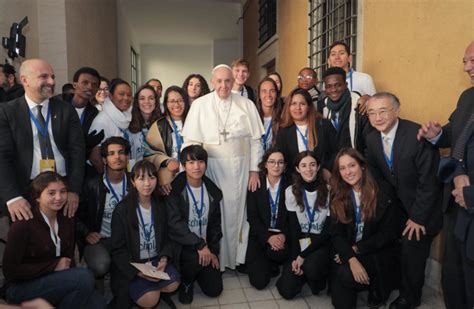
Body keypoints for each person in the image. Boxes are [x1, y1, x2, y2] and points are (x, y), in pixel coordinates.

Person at [181, 64, 264, 270]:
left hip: (241, 167)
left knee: (239, 211)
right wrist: (189, 174)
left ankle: (238, 257)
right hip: (211, 168)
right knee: (215, 211)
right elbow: (191, 142)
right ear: (212, 82)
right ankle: (215, 257)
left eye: (228, 81)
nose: (224, 86)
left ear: (233, 81)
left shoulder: (246, 104)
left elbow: (256, 141)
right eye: (219, 81)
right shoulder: (200, 105)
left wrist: (254, 169)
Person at [365, 92, 442, 309]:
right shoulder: (371, 138)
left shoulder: (417, 135)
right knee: (380, 237)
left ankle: (410, 297)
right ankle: (385, 286)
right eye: (372, 112)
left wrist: (417, 218)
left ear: (397, 111)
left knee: (411, 247)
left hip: (423, 208)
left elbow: (430, 182)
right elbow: (374, 171)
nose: (377, 117)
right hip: (397, 205)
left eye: (383, 111)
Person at [417, 41, 474, 309]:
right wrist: (437, 135)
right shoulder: (467, 98)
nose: (467, 68)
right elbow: (455, 133)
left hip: (471, 200)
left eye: (472, 61)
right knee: (452, 275)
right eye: (464, 61)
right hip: (454, 204)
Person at [2, 172, 105, 308]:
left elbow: (68, 260)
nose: (58, 197)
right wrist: (53, 267)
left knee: (97, 302)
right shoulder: (23, 224)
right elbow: (10, 270)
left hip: (56, 282)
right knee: (85, 277)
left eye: (63, 192)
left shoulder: (67, 218)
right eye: (51, 193)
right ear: (37, 197)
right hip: (21, 287)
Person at [0, 59, 85, 221]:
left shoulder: (66, 110)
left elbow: (77, 153)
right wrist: (13, 197)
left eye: (52, 76)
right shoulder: (7, 112)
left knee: (63, 241)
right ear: (25, 80)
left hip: (63, 192)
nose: (52, 82)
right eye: (44, 77)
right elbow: (2, 157)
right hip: (25, 193)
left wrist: (74, 190)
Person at [329, 148, 401, 309]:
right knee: (342, 303)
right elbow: (335, 234)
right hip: (350, 250)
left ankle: (376, 285)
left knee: (345, 275)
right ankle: (358, 279)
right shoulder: (337, 193)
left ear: (362, 166)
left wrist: (355, 249)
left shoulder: (383, 191)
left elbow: (388, 233)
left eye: (352, 165)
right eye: (342, 168)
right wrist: (351, 257)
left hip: (376, 250)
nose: (348, 172)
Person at [110, 160, 180, 309]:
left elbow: (168, 237)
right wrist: (139, 273)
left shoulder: (160, 205)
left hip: (156, 259)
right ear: (133, 182)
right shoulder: (122, 210)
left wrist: (164, 258)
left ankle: (153, 290)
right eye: (141, 178)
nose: (147, 183)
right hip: (135, 263)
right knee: (149, 300)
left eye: (151, 178)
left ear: (157, 179)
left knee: (174, 283)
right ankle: (147, 291)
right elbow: (117, 249)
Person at [166, 145, 223, 304]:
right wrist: (199, 245)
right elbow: (175, 225)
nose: (196, 167)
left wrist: (212, 250)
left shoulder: (212, 191)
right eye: (190, 162)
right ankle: (187, 282)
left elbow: (215, 225)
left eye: (200, 161)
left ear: (206, 164)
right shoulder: (175, 191)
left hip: (204, 246)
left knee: (214, 289)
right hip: (184, 246)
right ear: (183, 166)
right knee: (192, 258)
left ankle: (199, 271)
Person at [276, 151, 330, 299]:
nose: (308, 169)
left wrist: (303, 256)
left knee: (312, 268)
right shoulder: (291, 192)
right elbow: (294, 229)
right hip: (301, 242)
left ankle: (314, 276)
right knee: (287, 291)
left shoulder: (330, 191)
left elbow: (327, 232)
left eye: (312, 165)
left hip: (321, 243)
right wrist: (296, 257)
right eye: (304, 165)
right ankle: (302, 275)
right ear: (298, 169)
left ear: (318, 167)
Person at [76, 137, 130, 285]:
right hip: (102, 240)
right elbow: (74, 215)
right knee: (100, 265)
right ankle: (98, 281)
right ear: (104, 160)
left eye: (121, 152)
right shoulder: (91, 184)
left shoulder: (137, 183)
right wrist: (87, 232)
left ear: (127, 157)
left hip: (129, 240)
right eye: (111, 153)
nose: (117, 157)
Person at [246, 147, 289, 289]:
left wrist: (284, 235)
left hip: (281, 234)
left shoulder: (291, 186)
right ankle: (267, 262)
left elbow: (294, 219)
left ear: (285, 165)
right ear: (265, 164)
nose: (276, 166)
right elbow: (252, 217)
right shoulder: (256, 184)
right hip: (261, 234)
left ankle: (273, 260)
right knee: (258, 282)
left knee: (278, 254)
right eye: (272, 162)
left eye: (280, 162)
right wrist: (268, 237)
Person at [275, 87, 336, 179]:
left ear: (308, 107)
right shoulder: (283, 131)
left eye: (302, 104)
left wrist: (326, 169)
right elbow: (283, 159)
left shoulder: (324, 125)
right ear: (288, 107)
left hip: (322, 178)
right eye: (293, 104)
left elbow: (336, 151)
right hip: (295, 181)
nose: (298, 108)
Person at [145, 86, 190, 193]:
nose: (176, 104)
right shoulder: (159, 125)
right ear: (166, 103)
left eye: (180, 100)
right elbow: (148, 153)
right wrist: (166, 161)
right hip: (169, 180)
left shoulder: (193, 121)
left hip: (192, 175)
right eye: (172, 101)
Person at [319, 67, 371, 154]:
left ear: (346, 85)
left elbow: (369, 142)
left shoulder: (360, 105)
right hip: (334, 163)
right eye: (329, 86)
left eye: (338, 85)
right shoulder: (322, 107)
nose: (333, 90)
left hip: (357, 161)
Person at [88, 79, 133, 173]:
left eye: (129, 95)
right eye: (121, 94)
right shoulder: (102, 121)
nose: (126, 98)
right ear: (111, 96)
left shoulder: (126, 116)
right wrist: (107, 178)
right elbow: (94, 157)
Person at [67, 67, 101, 156]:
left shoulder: (95, 114)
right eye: (85, 83)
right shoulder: (58, 106)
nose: (90, 87)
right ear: (75, 84)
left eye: (94, 84)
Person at [127, 85, 161, 166]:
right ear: (137, 103)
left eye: (151, 98)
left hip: (159, 170)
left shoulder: (163, 123)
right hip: (136, 171)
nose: (147, 102)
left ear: (155, 102)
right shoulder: (127, 123)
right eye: (142, 98)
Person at [256, 77, 282, 151]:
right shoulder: (252, 117)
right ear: (259, 95)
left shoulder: (283, 119)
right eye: (264, 91)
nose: (268, 95)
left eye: (272, 91)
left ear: (276, 94)